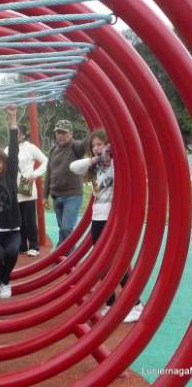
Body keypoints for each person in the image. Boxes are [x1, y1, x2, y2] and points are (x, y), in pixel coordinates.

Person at [70, 129, 143, 323]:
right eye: (93, 146)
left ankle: (136, 304)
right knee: (102, 263)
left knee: (117, 262)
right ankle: (110, 301)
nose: (96, 148)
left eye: (100, 144)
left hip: (113, 220)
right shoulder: (95, 168)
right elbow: (73, 167)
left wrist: (109, 152)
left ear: (108, 145)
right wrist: (95, 159)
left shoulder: (117, 166)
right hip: (98, 218)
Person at [0, 105, 21, 299]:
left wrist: (13, 120)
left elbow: (14, 150)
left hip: (11, 229)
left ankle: (5, 281)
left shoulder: (10, 177)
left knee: (11, 252)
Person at [43, 119, 86, 246]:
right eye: (58, 132)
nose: (60, 135)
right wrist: (45, 196)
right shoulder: (53, 150)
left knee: (66, 228)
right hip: (56, 196)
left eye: (63, 132)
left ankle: (66, 255)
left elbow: (85, 144)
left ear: (70, 134)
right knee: (62, 229)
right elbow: (49, 172)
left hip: (72, 195)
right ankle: (65, 255)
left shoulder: (75, 147)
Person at [10, 124, 47, 257]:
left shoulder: (30, 148)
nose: (16, 135)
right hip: (13, 189)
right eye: (14, 133)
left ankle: (34, 245)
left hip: (27, 187)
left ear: (23, 134)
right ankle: (22, 245)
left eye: (18, 133)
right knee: (18, 220)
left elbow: (45, 161)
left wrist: (35, 174)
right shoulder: (8, 148)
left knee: (30, 219)